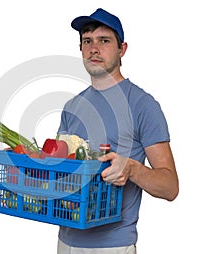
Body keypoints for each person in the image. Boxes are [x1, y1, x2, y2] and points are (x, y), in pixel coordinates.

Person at [57, 8, 179, 254]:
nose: (94, 49)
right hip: (65, 241)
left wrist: (132, 169)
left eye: (104, 41)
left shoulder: (142, 104)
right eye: (87, 41)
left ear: (122, 49)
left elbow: (170, 187)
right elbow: (61, 173)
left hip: (112, 245)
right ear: (80, 49)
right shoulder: (72, 107)